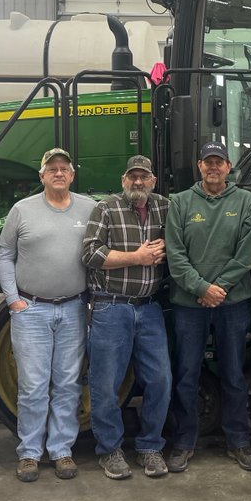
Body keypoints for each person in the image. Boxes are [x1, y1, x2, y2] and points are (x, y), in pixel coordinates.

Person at [0, 148, 96, 483]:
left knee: (68, 383)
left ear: (72, 175)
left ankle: (61, 451)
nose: (58, 173)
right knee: (33, 385)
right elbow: (4, 255)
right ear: (41, 176)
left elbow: (98, 254)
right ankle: (29, 453)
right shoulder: (21, 210)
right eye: (51, 168)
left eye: (64, 168)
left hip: (73, 308)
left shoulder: (90, 208)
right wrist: (13, 300)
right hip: (31, 309)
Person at [165, 141, 251, 473]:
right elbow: (175, 255)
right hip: (189, 305)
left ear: (229, 166)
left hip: (232, 304)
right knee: (187, 374)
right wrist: (201, 288)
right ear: (199, 166)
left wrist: (218, 290)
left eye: (219, 162)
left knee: (233, 374)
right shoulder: (180, 202)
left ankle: (239, 442)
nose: (214, 167)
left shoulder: (246, 201)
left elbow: (247, 254)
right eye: (208, 162)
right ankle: (184, 441)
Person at [81, 154, 171, 480]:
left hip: (149, 308)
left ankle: (150, 447)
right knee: (105, 384)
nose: (138, 182)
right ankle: (109, 450)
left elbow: (182, 242)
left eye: (144, 177)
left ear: (153, 181)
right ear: (123, 181)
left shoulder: (165, 207)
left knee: (160, 380)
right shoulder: (105, 208)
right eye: (132, 177)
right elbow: (90, 253)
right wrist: (138, 257)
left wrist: (168, 245)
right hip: (110, 306)